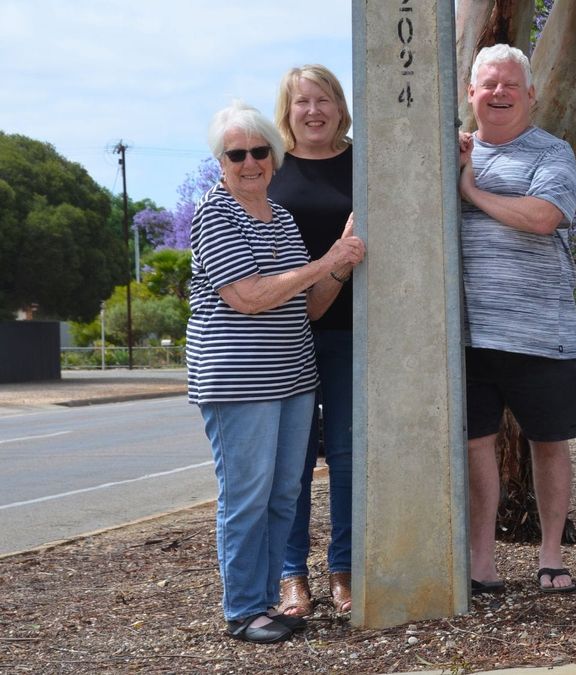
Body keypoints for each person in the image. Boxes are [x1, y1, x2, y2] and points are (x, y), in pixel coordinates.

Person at [187, 100, 364, 643]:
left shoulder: (281, 217)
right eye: (235, 154)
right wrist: (324, 260)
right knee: (246, 496)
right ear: (220, 162)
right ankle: (242, 610)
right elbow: (249, 297)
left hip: (292, 378)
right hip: (239, 384)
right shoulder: (215, 214)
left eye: (259, 151)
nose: (249, 162)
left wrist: (340, 261)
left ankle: (266, 603)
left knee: (283, 495)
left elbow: (308, 306)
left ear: (274, 155)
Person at [457, 44, 576, 594]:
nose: (500, 92)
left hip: (540, 334)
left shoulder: (552, 154)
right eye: (489, 84)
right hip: (466, 336)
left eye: (511, 84)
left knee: (548, 443)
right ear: (471, 94)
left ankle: (551, 556)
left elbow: (543, 217)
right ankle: (480, 563)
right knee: (473, 445)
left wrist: (471, 191)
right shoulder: (451, 152)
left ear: (531, 94)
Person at [269, 64, 355, 617]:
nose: (314, 111)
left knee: (349, 457)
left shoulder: (364, 163)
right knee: (293, 462)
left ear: (339, 106)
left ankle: (345, 568)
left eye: (323, 100)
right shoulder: (269, 168)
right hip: (284, 337)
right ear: (288, 111)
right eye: (302, 102)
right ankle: (291, 575)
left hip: (353, 334)